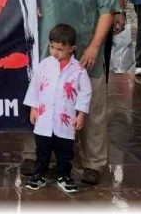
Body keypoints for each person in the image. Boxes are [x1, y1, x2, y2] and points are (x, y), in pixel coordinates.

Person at [14, 0, 126, 185]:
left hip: (88, 56)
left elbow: (107, 11)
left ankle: (93, 162)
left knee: (93, 109)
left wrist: (93, 47)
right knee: (39, 105)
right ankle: (33, 154)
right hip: (47, 57)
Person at [23, 23, 91, 194]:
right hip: (44, 118)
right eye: (52, 47)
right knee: (42, 150)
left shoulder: (78, 70)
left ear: (71, 49)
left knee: (65, 152)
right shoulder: (44, 65)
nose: (54, 52)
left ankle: (64, 176)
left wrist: (81, 114)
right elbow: (35, 86)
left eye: (60, 49)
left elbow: (85, 92)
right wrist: (33, 107)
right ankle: (39, 175)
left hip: (65, 119)